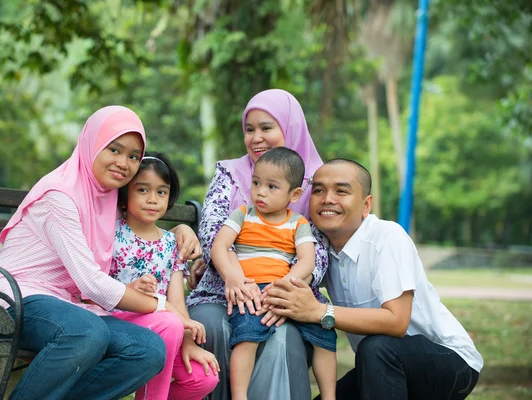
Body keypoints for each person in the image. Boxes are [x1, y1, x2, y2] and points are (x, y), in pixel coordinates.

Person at [0, 106, 199, 400]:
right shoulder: (60, 196)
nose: (124, 163)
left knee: (147, 349)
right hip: (12, 300)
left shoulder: (106, 197)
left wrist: (183, 227)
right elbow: (91, 283)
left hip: (70, 307)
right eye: (115, 149)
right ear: (92, 144)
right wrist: (162, 306)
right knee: (87, 333)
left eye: (133, 156)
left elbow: (145, 232)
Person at [263, 158, 483, 400]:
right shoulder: (319, 250)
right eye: (318, 190)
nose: (327, 199)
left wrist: (319, 311)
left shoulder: (386, 237)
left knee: (376, 347)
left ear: (366, 205)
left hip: (452, 362)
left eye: (341, 191)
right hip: (379, 364)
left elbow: (396, 322)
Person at [186, 88, 327, 400]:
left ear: (289, 128)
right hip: (220, 289)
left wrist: (280, 292)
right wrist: (237, 278)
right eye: (249, 129)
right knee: (210, 324)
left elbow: (318, 253)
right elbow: (212, 233)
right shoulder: (230, 173)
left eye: (267, 128)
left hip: (285, 293)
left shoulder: (316, 181)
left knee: (283, 336)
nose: (256, 138)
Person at [211, 147, 337, 400]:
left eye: (272, 186)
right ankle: (239, 395)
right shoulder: (244, 214)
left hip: (286, 287)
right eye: (256, 183)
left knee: (325, 335)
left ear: (295, 194)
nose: (260, 192)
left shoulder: (297, 223)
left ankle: (329, 396)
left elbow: (307, 260)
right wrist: (231, 276)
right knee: (247, 335)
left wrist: (286, 283)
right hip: (252, 290)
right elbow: (219, 246)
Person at [109, 152, 219, 400]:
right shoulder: (113, 233)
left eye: (161, 192)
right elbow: (96, 287)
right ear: (125, 195)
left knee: (203, 377)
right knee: (169, 323)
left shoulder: (171, 244)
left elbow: (177, 302)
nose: (152, 199)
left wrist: (189, 343)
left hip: (167, 332)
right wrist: (131, 287)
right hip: (118, 323)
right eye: (142, 190)